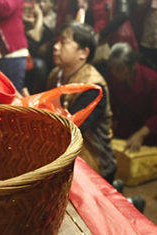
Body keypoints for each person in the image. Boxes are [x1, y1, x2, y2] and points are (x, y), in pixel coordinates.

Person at [46, 21, 116, 182]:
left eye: (64, 42)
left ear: (83, 53)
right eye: (57, 41)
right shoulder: (55, 74)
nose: (56, 47)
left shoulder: (93, 87)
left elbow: (71, 130)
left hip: (93, 161)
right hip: (63, 154)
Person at [106, 43, 157, 152]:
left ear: (131, 66)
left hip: (151, 126)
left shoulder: (152, 80)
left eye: (119, 69)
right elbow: (113, 104)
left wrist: (140, 135)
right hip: (129, 120)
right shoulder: (114, 77)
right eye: (112, 69)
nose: (115, 73)